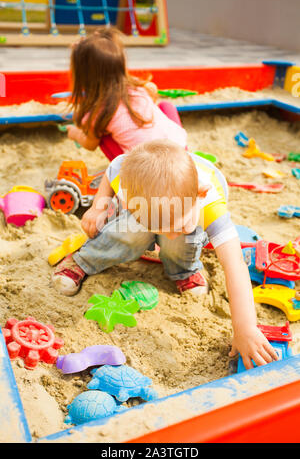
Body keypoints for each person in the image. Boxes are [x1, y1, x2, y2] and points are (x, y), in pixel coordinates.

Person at [52, 139, 279, 370]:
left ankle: (183, 268)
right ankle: (86, 260)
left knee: (185, 237)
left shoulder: (210, 205)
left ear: (200, 195)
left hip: (193, 207)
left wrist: (246, 329)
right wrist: (99, 207)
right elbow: (113, 170)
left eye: (176, 225)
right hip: (153, 202)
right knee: (130, 230)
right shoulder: (127, 178)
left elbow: (235, 266)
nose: (167, 235)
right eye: (161, 230)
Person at [66, 27, 187, 160]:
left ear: (82, 77)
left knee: (102, 134)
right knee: (165, 106)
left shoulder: (100, 113)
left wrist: (75, 133)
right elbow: (152, 89)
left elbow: (90, 145)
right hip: (181, 154)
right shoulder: (139, 88)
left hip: (148, 170)